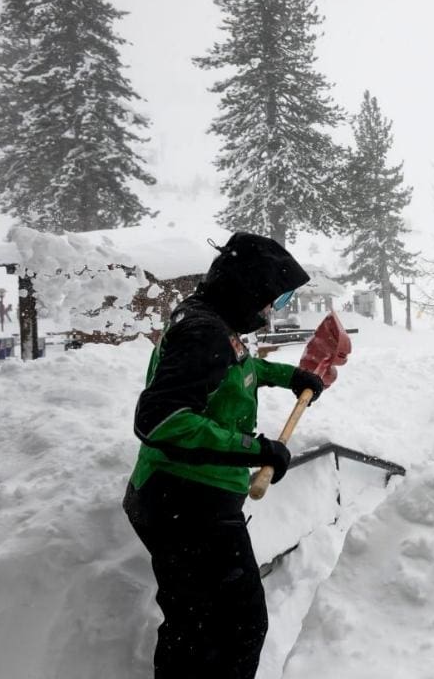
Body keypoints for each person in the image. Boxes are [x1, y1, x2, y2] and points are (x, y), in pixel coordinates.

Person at [122, 232, 325, 679]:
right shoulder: (203, 331)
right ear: (245, 288)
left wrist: (289, 375)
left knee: (204, 627)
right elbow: (161, 420)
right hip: (186, 502)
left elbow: (236, 367)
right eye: (270, 298)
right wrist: (256, 451)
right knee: (228, 630)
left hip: (187, 497)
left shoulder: (211, 322)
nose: (271, 309)